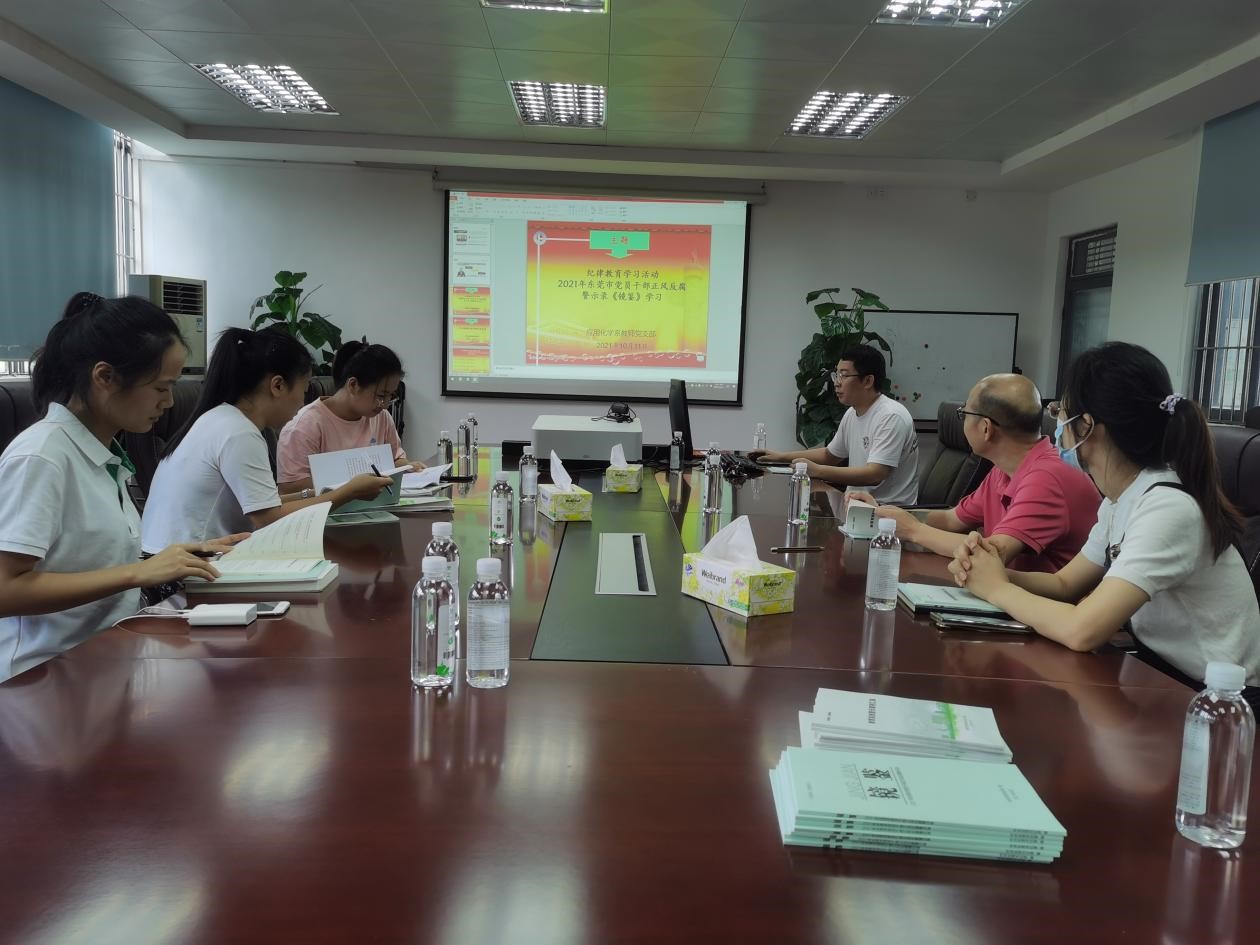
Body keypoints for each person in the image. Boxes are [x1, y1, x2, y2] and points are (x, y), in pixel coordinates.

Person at [949, 342, 1260, 696]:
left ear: (1085, 426)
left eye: (1059, 412)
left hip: (1220, 700)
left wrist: (996, 588)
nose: (1055, 426)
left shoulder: (1168, 510)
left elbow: (1082, 630)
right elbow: (1065, 585)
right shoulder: (1121, 500)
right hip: (1160, 677)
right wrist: (988, 569)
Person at [0, 293, 242, 680]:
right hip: (41, 677)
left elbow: (84, 563)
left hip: (104, 661)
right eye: (161, 388)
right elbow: (6, 590)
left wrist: (170, 558)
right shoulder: (42, 456)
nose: (169, 402)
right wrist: (136, 573)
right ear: (105, 377)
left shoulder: (102, 453)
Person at [141, 327, 391, 551]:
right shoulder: (239, 433)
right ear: (277, 385)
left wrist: (321, 492)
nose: (303, 402)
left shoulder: (223, 418)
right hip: (186, 569)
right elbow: (270, 519)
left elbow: (266, 505)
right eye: (304, 390)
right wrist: (348, 492)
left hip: (173, 558)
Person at [850, 373, 1099, 571]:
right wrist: (884, 513)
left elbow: (990, 553)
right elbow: (952, 519)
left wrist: (913, 531)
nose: (962, 421)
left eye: (964, 414)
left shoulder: (1047, 477)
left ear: (986, 428)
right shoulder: (1003, 469)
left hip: (1051, 610)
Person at [754, 344, 918, 505]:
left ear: (868, 381)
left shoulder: (891, 416)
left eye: (844, 376)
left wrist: (817, 471)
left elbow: (875, 474)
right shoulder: (852, 412)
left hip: (888, 511)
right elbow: (830, 455)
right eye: (836, 375)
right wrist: (779, 457)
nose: (837, 383)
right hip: (856, 504)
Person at [277, 340, 423, 490]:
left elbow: (395, 459)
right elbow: (289, 488)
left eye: (390, 396)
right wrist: (349, 488)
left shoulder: (382, 417)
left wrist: (408, 467)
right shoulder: (305, 425)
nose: (385, 405)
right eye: (381, 396)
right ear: (353, 385)